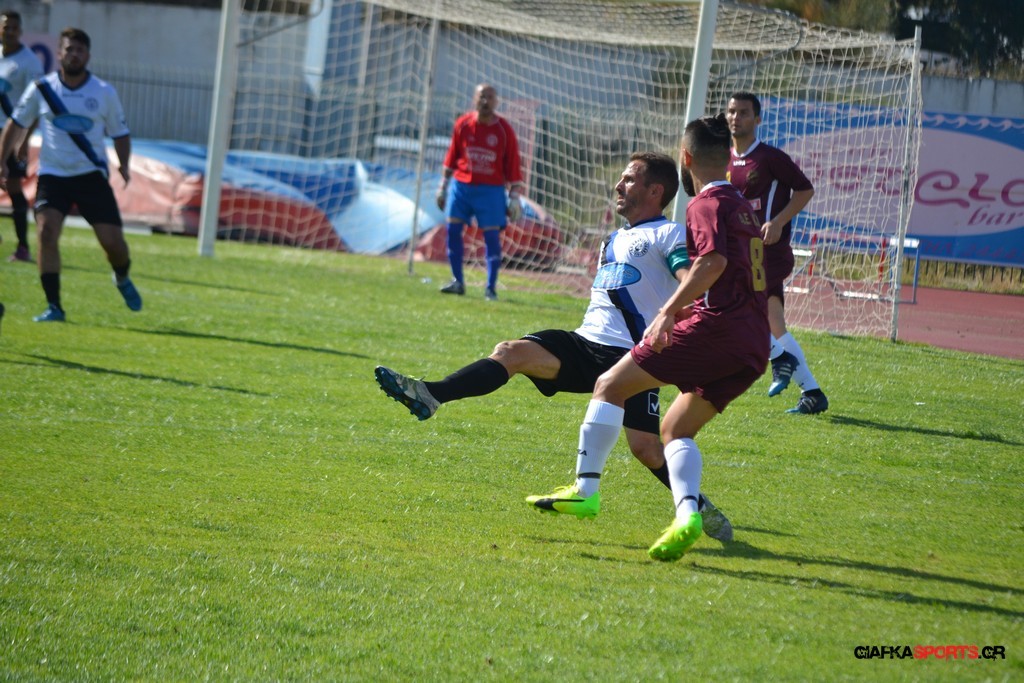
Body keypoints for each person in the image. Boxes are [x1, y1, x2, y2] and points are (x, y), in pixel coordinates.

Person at [378, 151, 733, 541]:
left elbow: (690, 279)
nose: (618, 185)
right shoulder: (613, 239)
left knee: (646, 449)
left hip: (632, 357)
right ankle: (431, 395)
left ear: (655, 191)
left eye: (629, 179)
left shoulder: (668, 234)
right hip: (584, 343)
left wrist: (684, 325)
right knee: (511, 352)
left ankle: (698, 505)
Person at [528, 114, 768, 561]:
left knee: (609, 386)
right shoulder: (743, 207)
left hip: (718, 327)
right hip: (754, 342)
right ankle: (688, 516)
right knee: (674, 429)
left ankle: (585, 490)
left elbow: (711, 264)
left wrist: (667, 312)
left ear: (686, 158)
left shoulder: (705, 204)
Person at [0, 27, 140, 323]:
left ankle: (121, 276)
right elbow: (15, 123)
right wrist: (1, 160)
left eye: (79, 50)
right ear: (59, 53)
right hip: (53, 176)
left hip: (91, 176)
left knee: (113, 244)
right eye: (69, 49)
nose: (74, 55)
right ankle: (54, 306)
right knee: (46, 232)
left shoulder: (103, 91)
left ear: (88, 56)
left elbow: (121, 133)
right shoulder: (42, 88)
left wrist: (124, 165)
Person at [726, 91, 828, 414]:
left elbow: (805, 189)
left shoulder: (769, 157)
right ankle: (812, 393)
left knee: (738, 308)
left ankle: (779, 360)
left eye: (744, 112)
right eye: (732, 111)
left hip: (768, 254)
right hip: (742, 254)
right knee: (774, 322)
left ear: (757, 119)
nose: (736, 118)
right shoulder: (723, 160)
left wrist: (779, 222)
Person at [435, 83, 524, 301]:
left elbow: (513, 164)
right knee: (452, 230)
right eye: (481, 96)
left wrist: (514, 196)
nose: (485, 101)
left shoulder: (504, 130)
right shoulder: (463, 123)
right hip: (462, 186)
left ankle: (490, 288)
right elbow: (452, 156)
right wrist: (443, 186)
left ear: (496, 101)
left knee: (491, 237)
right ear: (474, 99)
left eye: (490, 97)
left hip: (491, 190)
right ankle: (457, 281)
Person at [0, 9, 43, 263]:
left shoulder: (29, 63)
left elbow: (38, 104)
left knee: (14, 186)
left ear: (21, 31)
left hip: (13, 133)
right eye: (6, 27)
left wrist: (24, 139)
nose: (10, 32)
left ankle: (23, 247)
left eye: (14, 28)